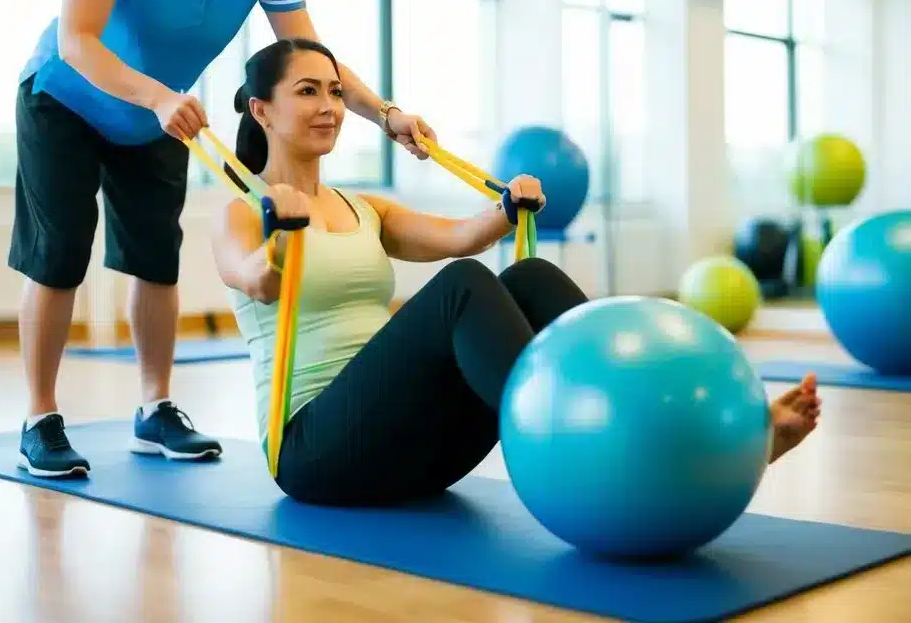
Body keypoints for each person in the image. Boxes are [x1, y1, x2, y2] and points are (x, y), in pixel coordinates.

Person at [9, 0, 434, 479]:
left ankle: (154, 410)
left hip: (157, 112)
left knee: (155, 257)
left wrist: (385, 114)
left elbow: (311, 58)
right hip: (66, 95)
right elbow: (76, 38)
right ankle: (41, 417)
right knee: (58, 252)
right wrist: (154, 96)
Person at [212, 37, 824, 507]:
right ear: (262, 110)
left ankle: (683, 430)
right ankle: (589, 444)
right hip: (316, 453)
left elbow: (460, 237)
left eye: (336, 92)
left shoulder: (363, 207)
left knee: (527, 279)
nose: (330, 108)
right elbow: (257, 280)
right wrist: (283, 238)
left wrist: (506, 206)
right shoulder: (243, 212)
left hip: (416, 448)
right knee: (462, 288)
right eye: (308, 92)